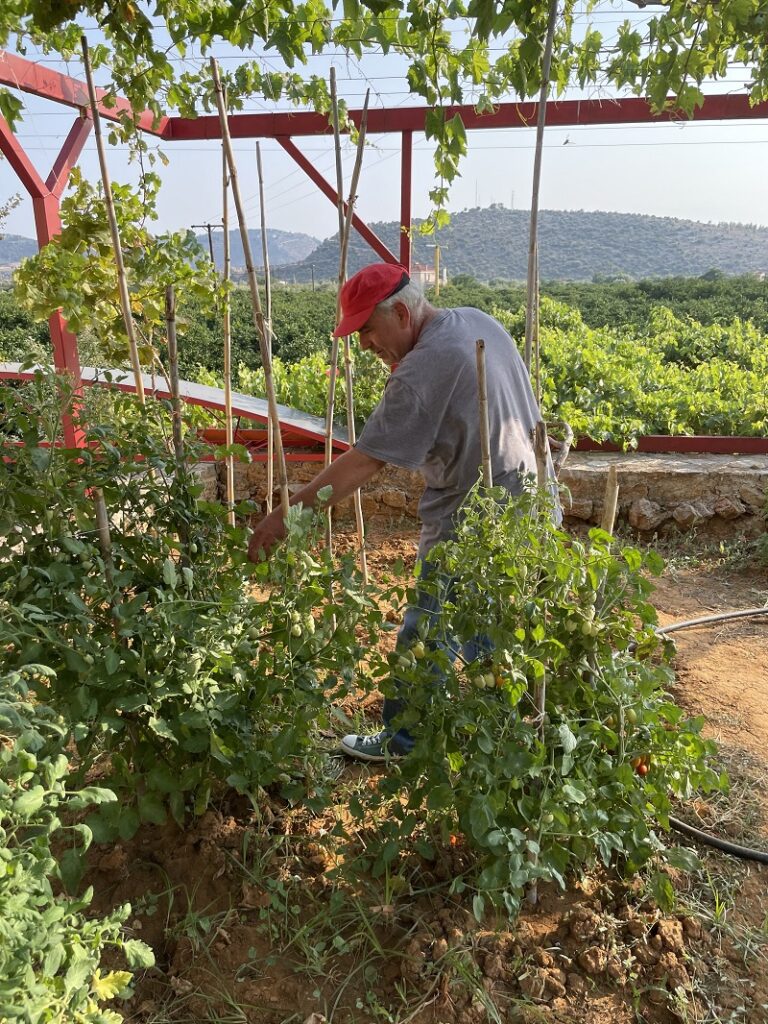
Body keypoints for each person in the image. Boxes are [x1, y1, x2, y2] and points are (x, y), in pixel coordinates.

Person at [247, 262, 559, 762]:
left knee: (427, 630)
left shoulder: (423, 367)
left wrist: (284, 518)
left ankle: (405, 741)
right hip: (533, 499)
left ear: (400, 311)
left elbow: (363, 462)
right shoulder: (474, 320)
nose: (365, 345)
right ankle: (507, 736)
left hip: (475, 517)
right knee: (497, 627)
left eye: (367, 330)